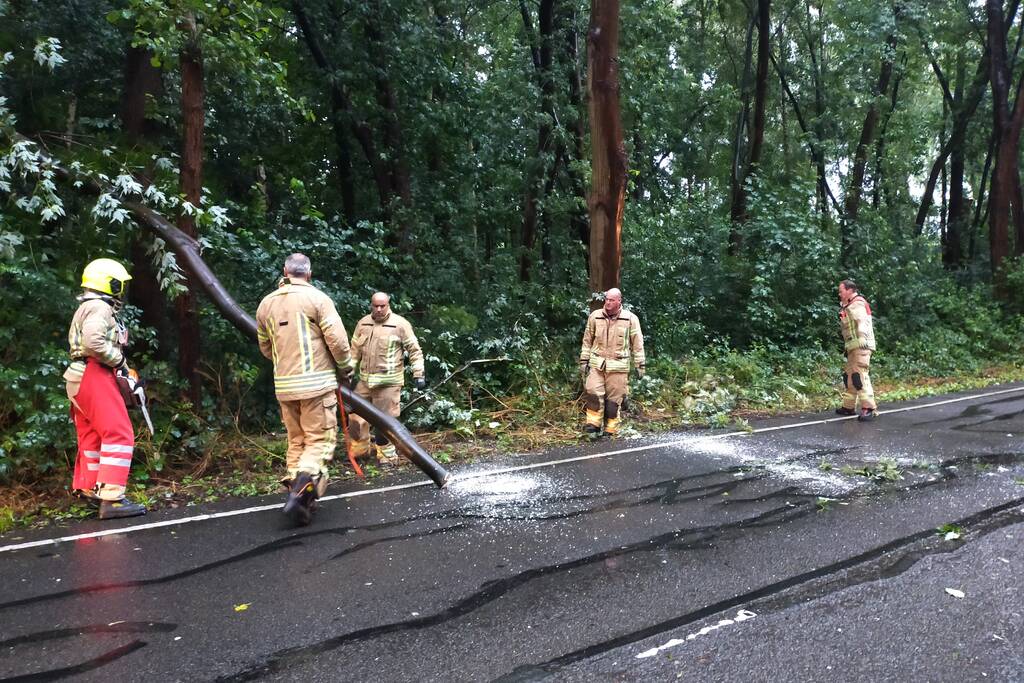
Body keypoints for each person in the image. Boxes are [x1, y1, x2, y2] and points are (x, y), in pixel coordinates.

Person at [255, 253, 355, 524]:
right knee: (319, 441)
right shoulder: (318, 299)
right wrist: (346, 367)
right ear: (308, 274)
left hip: (285, 387)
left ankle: (298, 498)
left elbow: (265, 347)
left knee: (296, 440)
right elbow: (337, 340)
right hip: (316, 386)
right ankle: (303, 487)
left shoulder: (266, 304)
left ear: (285, 271)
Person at [63, 258, 147, 519]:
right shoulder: (100, 307)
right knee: (119, 433)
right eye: (119, 284)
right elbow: (93, 342)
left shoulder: (87, 306)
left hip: (78, 377)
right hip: (94, 374)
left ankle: (91, 488)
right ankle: (112, 499)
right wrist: (120, 361)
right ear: (110, 283)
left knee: (92, 436)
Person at [349, 292, 425, 467]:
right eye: (375, 306)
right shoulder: (363, 324)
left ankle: (387, 457)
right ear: (371, 305)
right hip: (365, 382)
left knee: (385, 422)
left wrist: (418, 374)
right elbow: (354, 352)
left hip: (388, 383)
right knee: (355, 416)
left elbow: (414, 350)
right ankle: (361, 452)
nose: (379, 309)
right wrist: (348, 373)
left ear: (389, 305)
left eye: (382, 306)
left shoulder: (400, 325)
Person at [579, 288, 645, 436]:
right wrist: (584, 360)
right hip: (597, 363)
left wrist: (640, 364)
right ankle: (593, 425)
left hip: (618, 366)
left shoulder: (630, 319)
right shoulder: (595, 317)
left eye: (611, 300)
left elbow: (638, 343)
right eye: (606, 299)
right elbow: (587, 340)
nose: (608, 302)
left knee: (613, 401)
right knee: (593, 393)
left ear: (619, 301)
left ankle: (611, 428)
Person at [835, 279, 877, 421]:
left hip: (861, 346)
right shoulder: (848, 306)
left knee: (859, 375)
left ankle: (868, 408)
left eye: (841, 291)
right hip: (853, 347)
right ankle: (848, 406)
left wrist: (863, 340)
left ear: (849, 290)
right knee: (849, 376)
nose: (839, 294)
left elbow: (862, 323)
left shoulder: (857, 304)